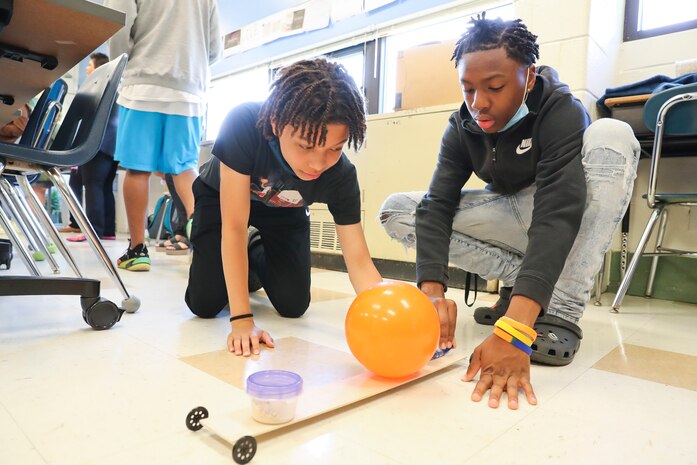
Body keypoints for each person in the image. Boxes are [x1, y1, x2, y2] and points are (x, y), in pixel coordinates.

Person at [379, 15, 640, 409]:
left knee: (613, 135)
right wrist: (430, 292)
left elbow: (557, 212)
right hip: (509, 211)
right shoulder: (462, 125)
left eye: (495, 87)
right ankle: (523, 285)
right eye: (468, 88)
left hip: (560, 213)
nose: (479, 102)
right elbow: (436, 206)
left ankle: (559, 312)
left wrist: (517, 329)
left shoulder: (560, 109)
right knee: (398, 210)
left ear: (529, 76)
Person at [185, 58, 384, 357]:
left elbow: (358, 261)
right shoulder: (244, 124)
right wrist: (241, 321)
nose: (318, 163)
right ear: (277, 124)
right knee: (203, 304)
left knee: (293, 305)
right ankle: (238, 258)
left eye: (334, 148)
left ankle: (254, 254)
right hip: (221, 201)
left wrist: (385, 315)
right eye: (306, 146)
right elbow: (236, 227)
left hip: (283, 208)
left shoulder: (341, 176)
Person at [104, 0, 222, 271]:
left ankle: (137, 250)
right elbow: (215, 49)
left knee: (137, 169)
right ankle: (205, 242)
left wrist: (129, 62)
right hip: (190, 89)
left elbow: (119, 31)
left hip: (143, 86)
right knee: (184, 168)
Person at [66, 52, 119, 242]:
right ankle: (108, 231)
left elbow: (86, 118)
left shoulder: (97, 87)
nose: (87, 68)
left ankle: (94, 231)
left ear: (99, 68)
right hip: (113, 145)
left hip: (97, 143)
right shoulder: (115, 88)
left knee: (93, 186)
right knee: (105, 188)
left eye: (89, 65)